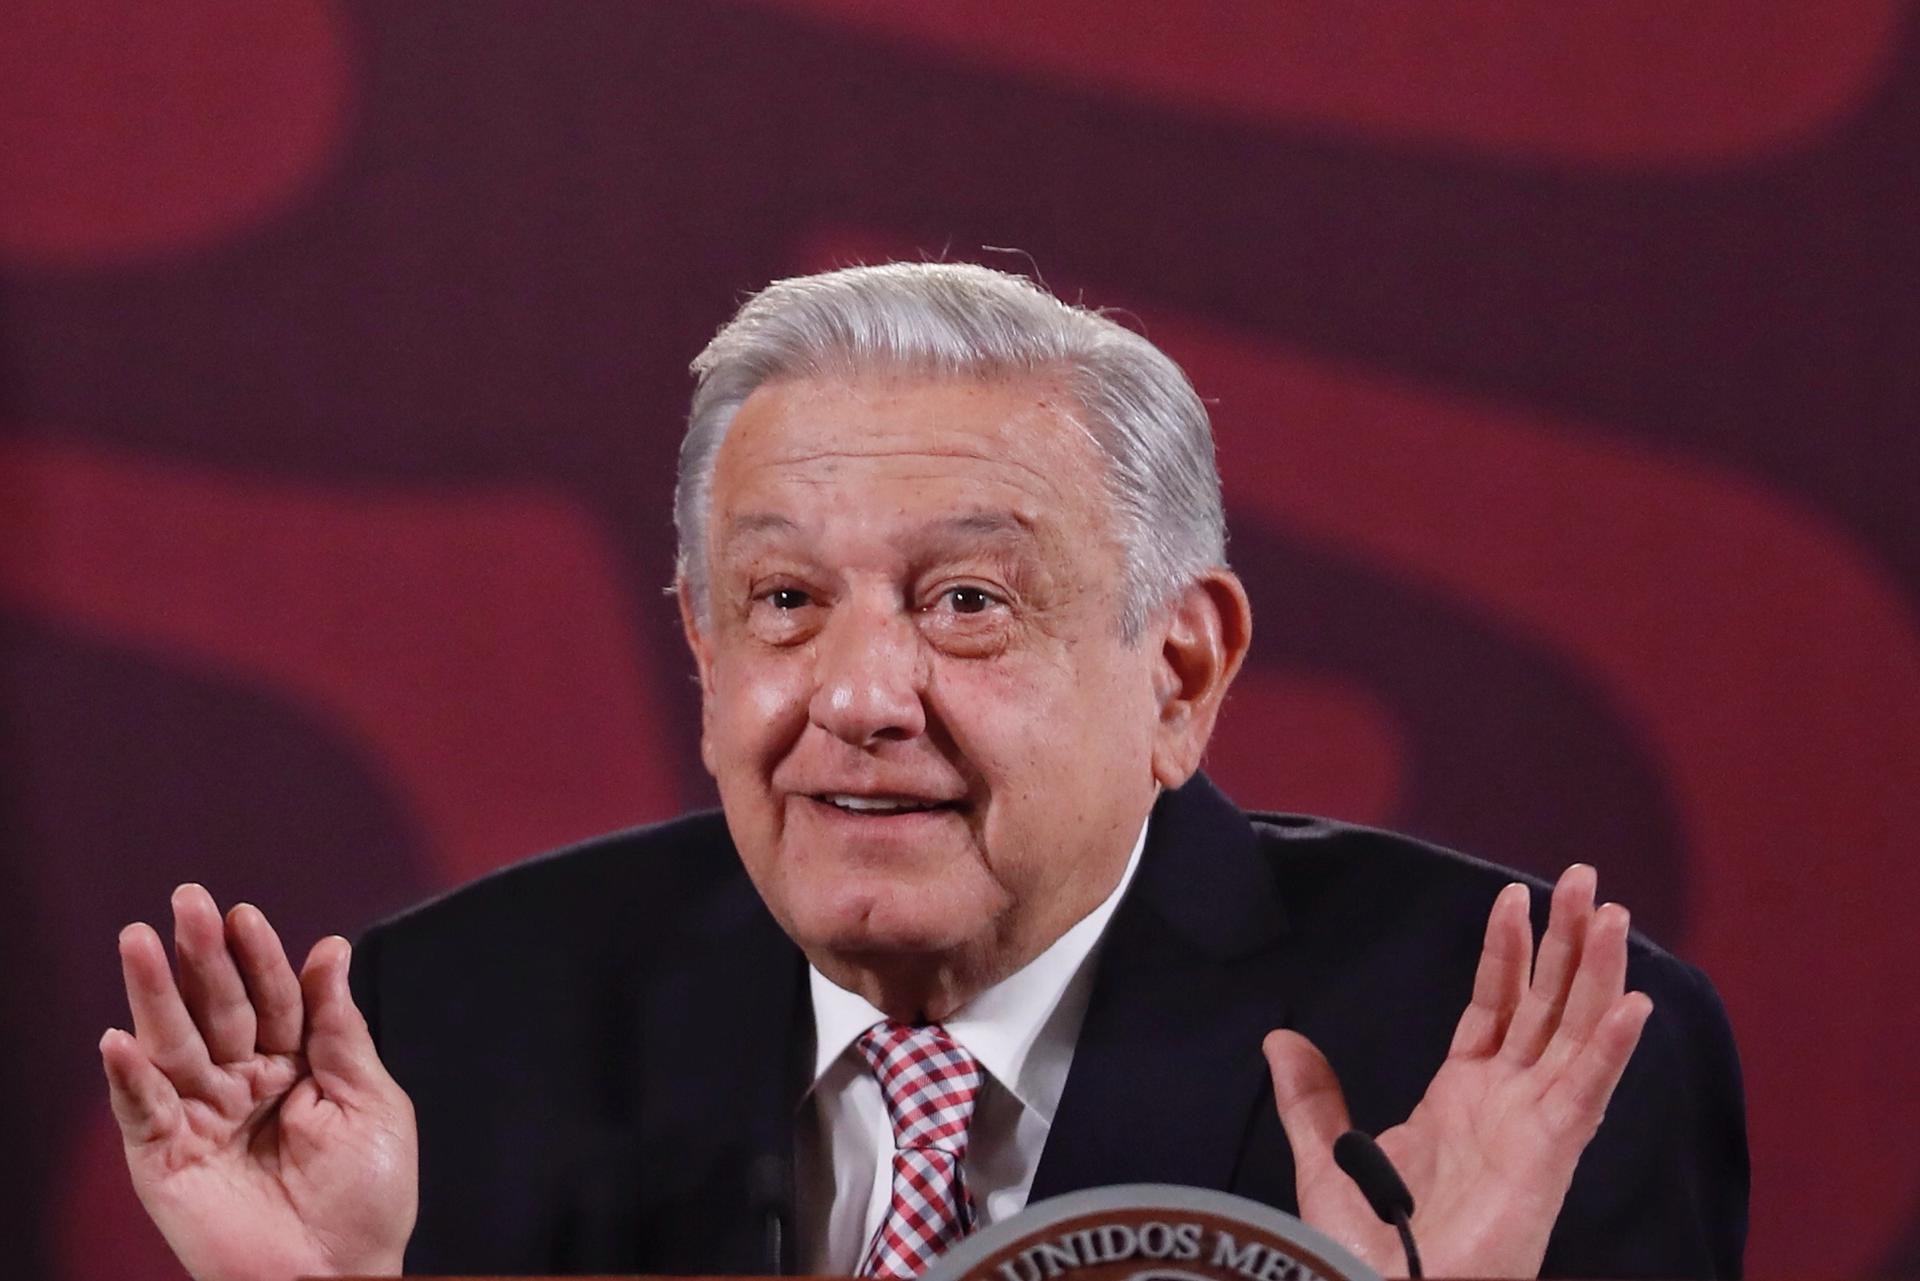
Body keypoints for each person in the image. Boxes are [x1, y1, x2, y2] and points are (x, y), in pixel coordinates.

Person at [102, 262, 1747, 1281]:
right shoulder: (451, 1028)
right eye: (787, 603)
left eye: (968, 601)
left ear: (1179, 672)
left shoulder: (1506, 1069)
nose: (860, 694)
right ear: (701, 644)